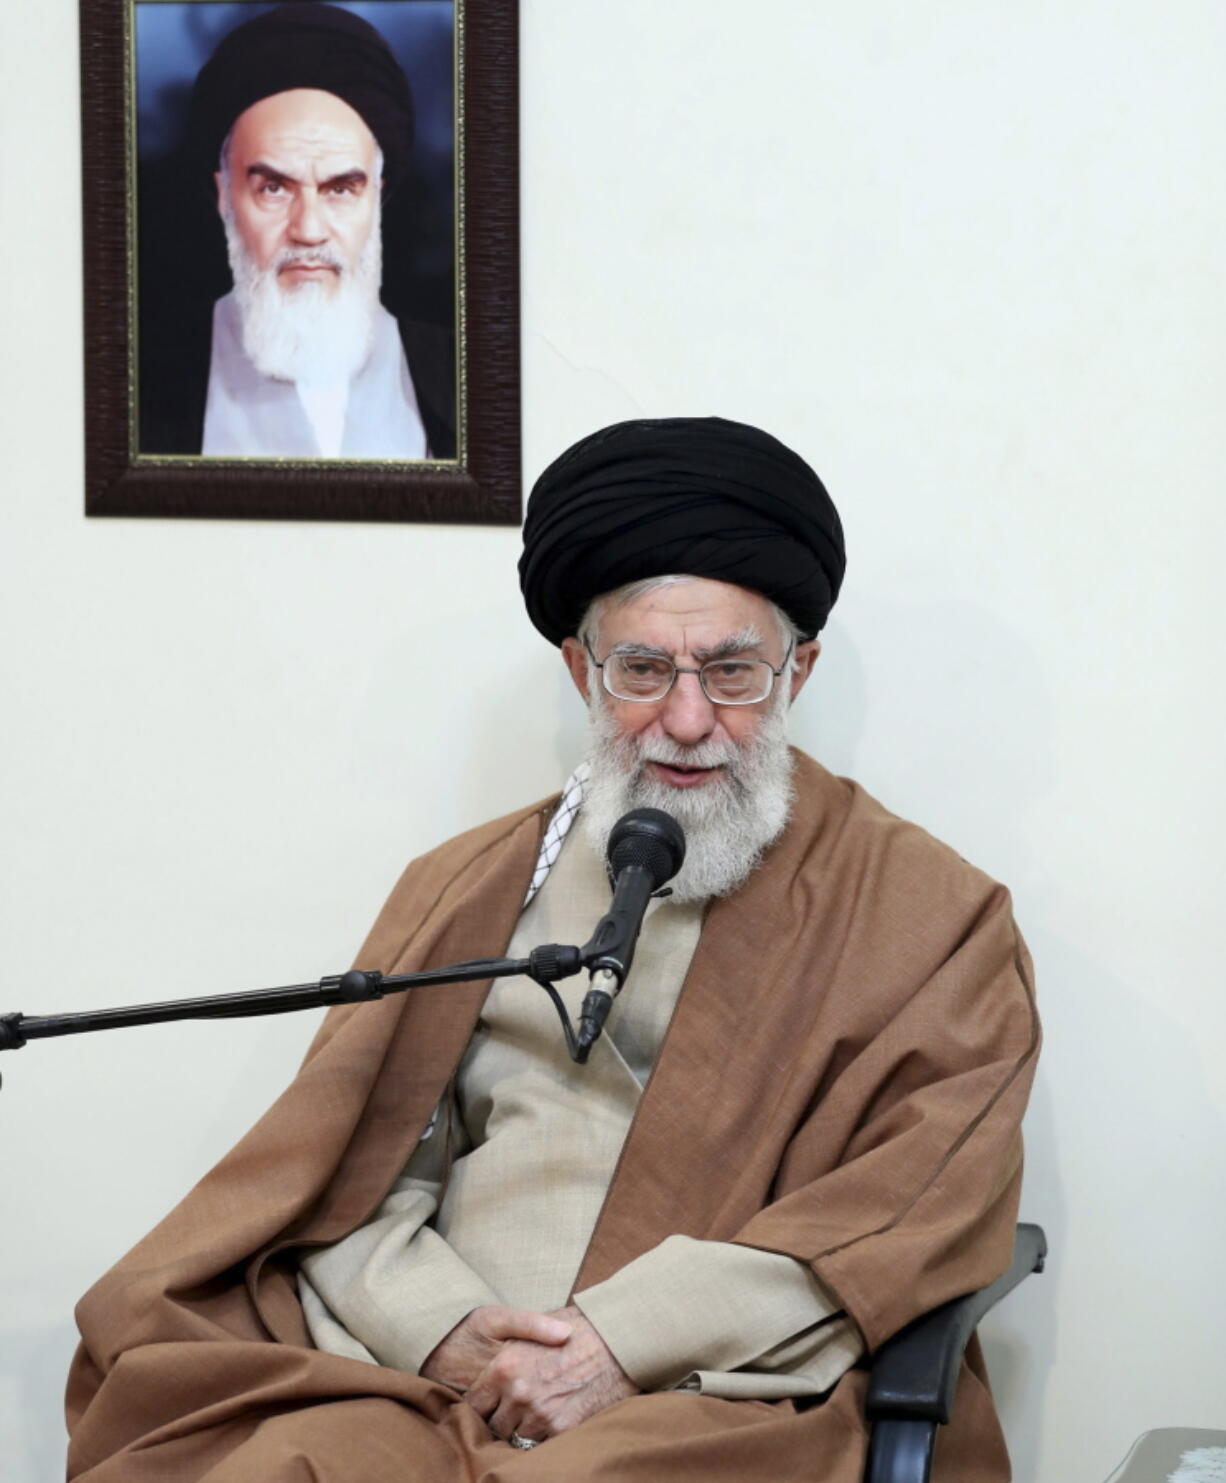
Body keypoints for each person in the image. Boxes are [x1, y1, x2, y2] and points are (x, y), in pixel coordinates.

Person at [66, 418, 1040, 1482]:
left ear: (795, 671)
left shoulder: (931, 910)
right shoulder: (470, 883)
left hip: (721, 1393)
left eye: (730, 672)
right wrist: (442, 1327)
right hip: (421, 1382)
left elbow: (912, 1202)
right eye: (640, 668)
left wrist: (623, 1342)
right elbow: (349, 1177)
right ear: (580, 667)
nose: (683, 717)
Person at [138, 3, 455, 459]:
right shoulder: (143, 379)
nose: (308, 230)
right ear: (224, 194)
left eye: (341, 189)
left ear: (377, 199)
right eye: (273, 188)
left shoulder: (464, 378)